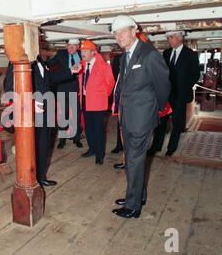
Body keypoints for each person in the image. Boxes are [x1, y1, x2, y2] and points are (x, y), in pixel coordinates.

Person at [110, 15, 170, 219]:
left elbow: (164, 87)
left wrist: (155, 109)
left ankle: (133, 206)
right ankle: (138, 195)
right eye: (116, 33)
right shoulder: (123, 57)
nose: (119, 36)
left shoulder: (149, 54)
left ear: (134, 30)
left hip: (142, 118)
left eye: (123, 31)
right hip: (127, 118)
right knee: (134, 160)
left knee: (134, 160)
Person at [4, 56, 75, 187]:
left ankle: (41, 177)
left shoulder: (40, 61)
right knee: (31, 147)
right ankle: (30, 178)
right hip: (30, 113)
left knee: (44, 145)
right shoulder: (17, 60)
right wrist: (29, 103)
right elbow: (9, 87)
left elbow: (49, 79)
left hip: (46, 111)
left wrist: (70, 71)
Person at [147, 31, 200, 157]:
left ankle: (171, 148)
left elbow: (195, 74)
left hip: (180, 95)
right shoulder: (166, 53)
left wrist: (184, 86)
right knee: (161, 122)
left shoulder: (190, 54)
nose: (168, 40)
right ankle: (156, 147)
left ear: (179, 38)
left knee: (177, 122)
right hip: (165, 94)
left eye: (171, 37)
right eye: (168, 38)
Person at [76, 40, 115, 165]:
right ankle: (92, 149)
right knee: (88, 128)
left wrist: (102, 96)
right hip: (85, 101)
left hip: (98, 103)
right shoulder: (81, 64)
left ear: (93, 52)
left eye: (85, 51)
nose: (82, 53)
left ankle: (99, 154)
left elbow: (111, 83)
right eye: (81, 51)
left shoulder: (103, 66)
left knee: (98, 130)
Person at [45, 39, 83, 149]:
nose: (71, 48)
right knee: (62, 116)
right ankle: (62, 140)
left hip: (76, 89)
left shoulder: (82, 54)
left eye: (74, 46)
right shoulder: (61, 54)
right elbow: (50, 63)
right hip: (62, 88)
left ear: (78, 47)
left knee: (75, 115)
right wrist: (39, 65)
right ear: (66, 46)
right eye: (69, 46)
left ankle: (76, 138)